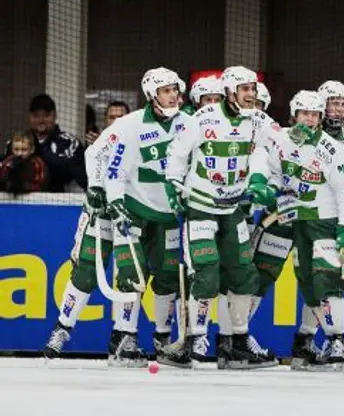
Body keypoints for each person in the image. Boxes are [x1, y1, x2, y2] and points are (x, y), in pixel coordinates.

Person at [44, 68, 190, 366]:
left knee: (164, 277)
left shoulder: (189, 124)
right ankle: (63, 330)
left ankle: (157, 339)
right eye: (166, 90)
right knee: (90, 270)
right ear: (151, 96)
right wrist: (96, 189)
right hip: (116, 208)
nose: (173, 95)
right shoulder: (129, 125)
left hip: (161, 215)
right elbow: (97, 155)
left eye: (175, 89)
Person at [164, 65, 281, 369]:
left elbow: (267, 151)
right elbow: (177, 154)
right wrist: (174, 186)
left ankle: (237, 343)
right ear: (230, 92)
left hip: (233, 210)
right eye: (245, 90)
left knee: (243, 273)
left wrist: (260, 179)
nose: (251, 95)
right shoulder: (203, 118)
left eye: (253, 90)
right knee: (206, 272)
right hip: (201, 205)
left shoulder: (257, 119)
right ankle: (194, 340)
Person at [250, 90, 344, 370]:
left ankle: (336, 340)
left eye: (314, 114)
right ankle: (247, 339)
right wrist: (266, 187)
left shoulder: (332, 148)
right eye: (304, 114)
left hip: (323, 222)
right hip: (286, 219)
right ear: (293, 115)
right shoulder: (281, 139)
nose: (309, 120)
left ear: (321, 117)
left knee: (325, 281)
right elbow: (273, 170)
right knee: (280, 278)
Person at [3, 94, 87, 192]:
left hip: (59, 202)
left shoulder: (69, 142)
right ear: (30, 116)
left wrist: (38, 152)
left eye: (46, 115)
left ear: (55, 115)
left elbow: (71, 174)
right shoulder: (15, 143)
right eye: (36, 116)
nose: (41, 120)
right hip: (18, 203)